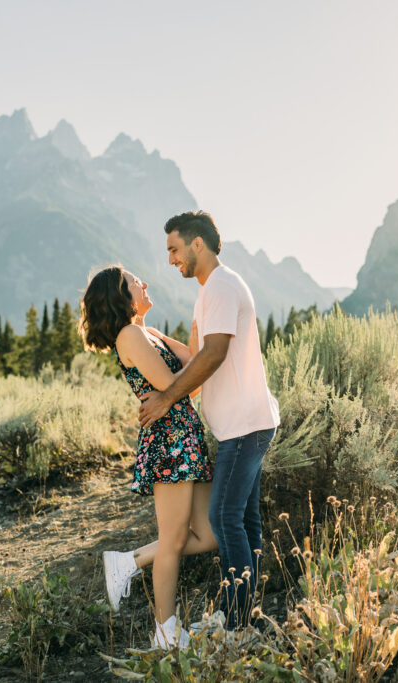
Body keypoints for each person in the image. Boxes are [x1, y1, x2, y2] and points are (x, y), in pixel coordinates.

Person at [139, 211, 280, 630]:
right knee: (244, 521)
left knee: (223, 518)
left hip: (245, 426)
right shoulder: (210, 290)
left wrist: (166, 398)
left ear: (197, 244)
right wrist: (147, 333)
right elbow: (194, 356)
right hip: (243, 423)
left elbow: (214, 354)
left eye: (174, 249)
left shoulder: (220, 285)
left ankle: (236, 624)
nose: (170, 260)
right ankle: (244, 615)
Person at [80, 266, 216, 649]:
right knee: (172, 541)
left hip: (185, 436)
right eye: (136, 281)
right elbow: (174, 384)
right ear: (122, 294)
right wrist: (190, 373)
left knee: (209, 536)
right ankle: (166, 633)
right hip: (169, 441)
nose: (145, 283)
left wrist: (198, 333)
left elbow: (198, 366)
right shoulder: (130, 335)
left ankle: (128, 562)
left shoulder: (148, 332)